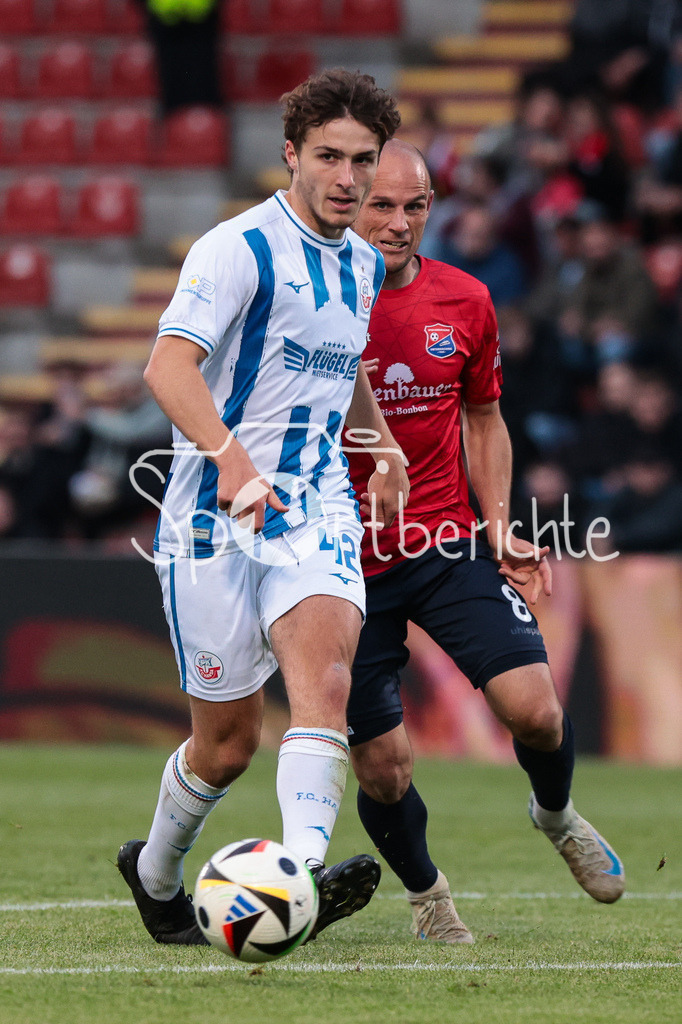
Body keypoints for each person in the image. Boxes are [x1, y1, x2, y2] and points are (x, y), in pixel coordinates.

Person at [117, 68, 408, 946]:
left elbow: (340, 361)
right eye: (329, 156)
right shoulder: (234, 249)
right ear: (292, 154)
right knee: (229, 745)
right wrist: (239, 470)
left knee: (324, 686)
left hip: (315, 508)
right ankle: (157, 871)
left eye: (363, 160)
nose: (348, 178)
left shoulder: (362, 260)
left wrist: (382, 442)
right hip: (211, 516)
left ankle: (300, 882)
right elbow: (167, 369)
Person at [345, 140, 625, 945]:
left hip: (442, 539)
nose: (400, 224)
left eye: (416, 205)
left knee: (537, 711)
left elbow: (482, 414)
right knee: (385, 768)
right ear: (348, 199)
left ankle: (558, 814)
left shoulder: (466, 299)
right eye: (382, 206)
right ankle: (430, 896)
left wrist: (498, 526)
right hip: (342, 564)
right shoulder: (315, 308)